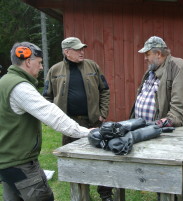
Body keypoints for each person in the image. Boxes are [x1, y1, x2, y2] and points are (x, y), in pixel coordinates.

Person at [0, 42, 90, 201]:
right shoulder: (19, 86)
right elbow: (51, 114)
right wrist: (86, 132)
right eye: (39, 62)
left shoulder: (4, 82)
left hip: (6, 161)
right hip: (20, 163)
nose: (41, 67)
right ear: (28, 61)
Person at [43, 37, 112, 201]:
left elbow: (105, 90)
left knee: (102, 159)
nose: (82, 52)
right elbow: (46, 97)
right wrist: (56, 120)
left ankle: (106, 194)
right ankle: (80, 195)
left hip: (94, 122)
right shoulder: (54, 70)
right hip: (69, 125)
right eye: (77, 49)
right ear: (67, 52)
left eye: (82, 48)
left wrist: (102, 112)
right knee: (74, 162)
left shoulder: (92, 66)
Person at [130, 36, 183, 127]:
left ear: (158, 54)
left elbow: (179, 108)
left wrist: (161, 124)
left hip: (169, 135)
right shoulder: (151, 71)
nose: (145, 58)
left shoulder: (178, 66)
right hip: (146, 132)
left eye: (147, 54)